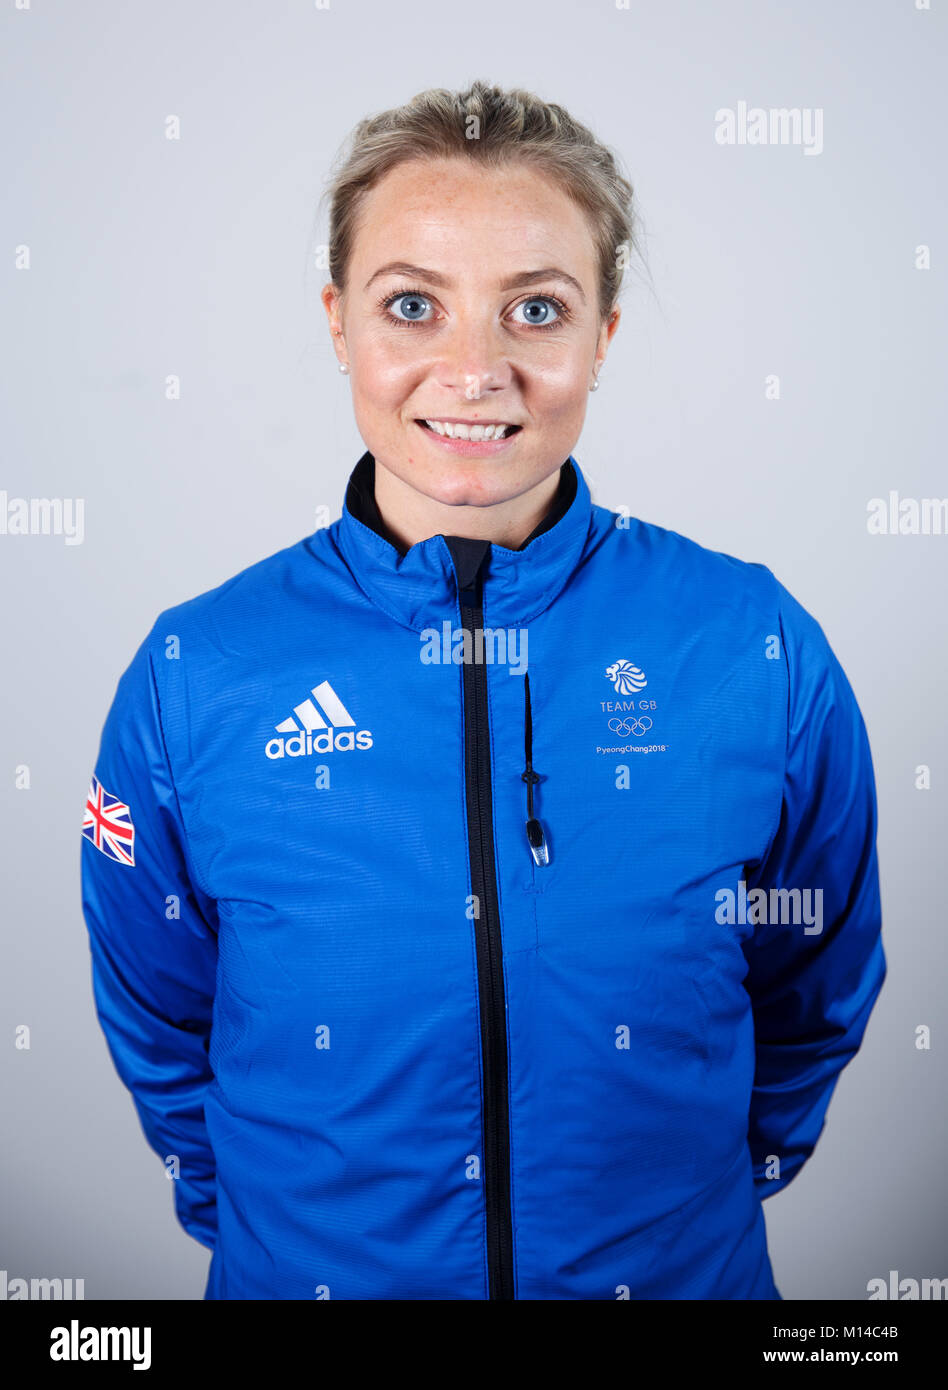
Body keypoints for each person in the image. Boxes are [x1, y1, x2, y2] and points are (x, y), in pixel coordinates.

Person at [80, 80, 886, 1301]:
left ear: (603, 335)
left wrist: (674, 1214)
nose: (475, 370)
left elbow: (813, 981)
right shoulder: (200, 673)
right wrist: (287, 1228)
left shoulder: (750, 645)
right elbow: (161, 1018)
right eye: (414, 305)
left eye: (537, 310)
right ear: (339, 325)